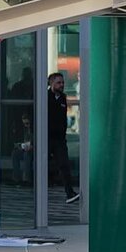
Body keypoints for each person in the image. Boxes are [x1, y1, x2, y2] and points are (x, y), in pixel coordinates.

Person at [45, 71, 78, 201]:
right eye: (58, 82)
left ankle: (69, 193)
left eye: (63, 82)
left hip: (59, 139)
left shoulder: (63, 98)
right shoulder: (45, 97)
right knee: (43, 164)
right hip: (46, 137)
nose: (62, 85)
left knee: (64, 164)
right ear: (51, 83)